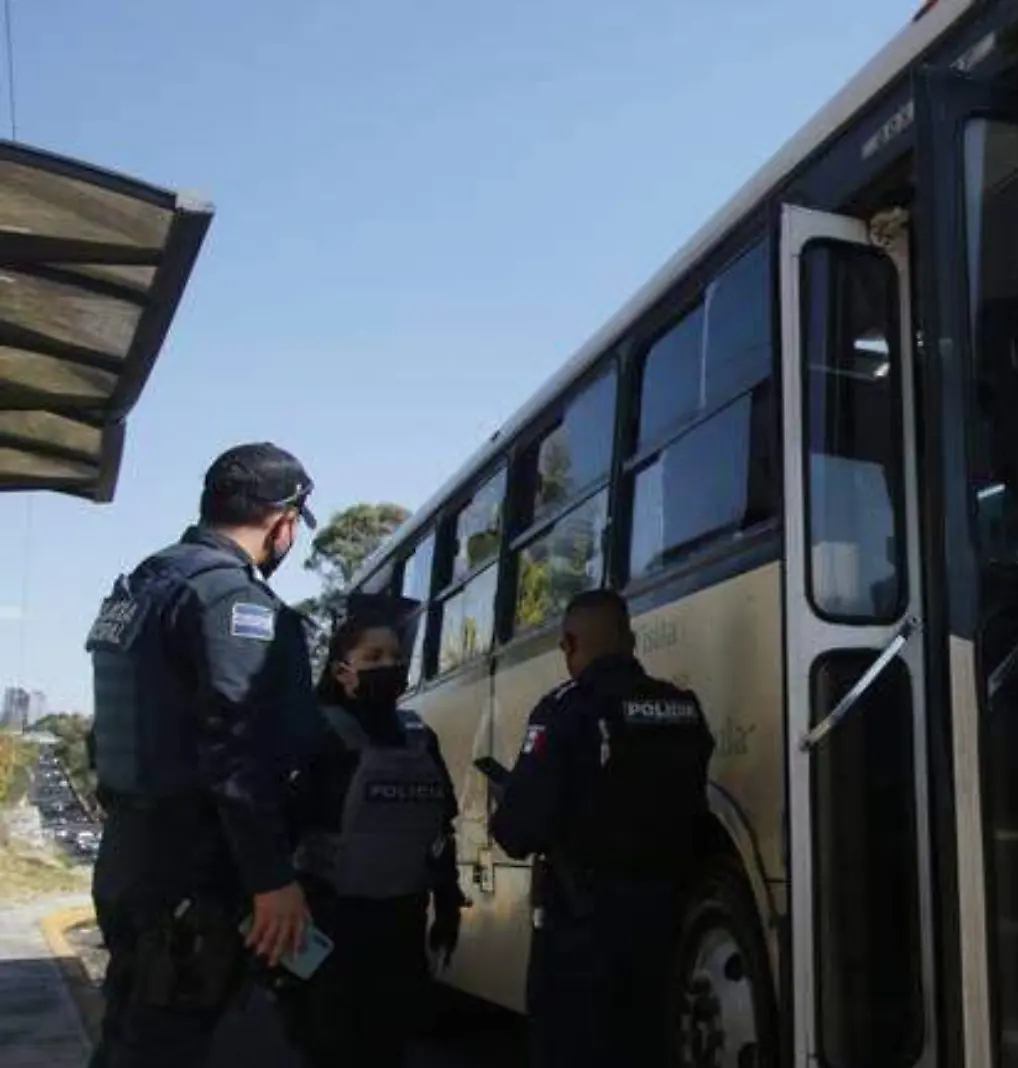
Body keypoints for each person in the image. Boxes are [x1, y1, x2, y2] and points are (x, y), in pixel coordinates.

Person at [83, 442, 324, 1068]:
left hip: (134, 855)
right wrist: (272, 878)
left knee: (134, 1032)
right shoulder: (230, 600)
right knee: (174, 1042)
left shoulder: (145, 583)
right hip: (196, 868)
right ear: (283, 521)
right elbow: (235, 749)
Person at [490, 588, 715, 1067]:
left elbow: (517, 831)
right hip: (664, 917)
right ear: (632, 641)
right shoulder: (682, 706)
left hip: (582, 928)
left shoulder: (564, 709)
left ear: (570, 644)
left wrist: (510, 799)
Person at [276, 592, 465, 1068]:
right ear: (343, 671)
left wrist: (447, 902)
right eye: (374, 657)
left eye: (397, 657)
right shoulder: (317, 735)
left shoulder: (420, 737)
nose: (390, 666)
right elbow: (276, 833)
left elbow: (441, 829)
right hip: (329, 932)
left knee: (389, 1051)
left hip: (400, 930)